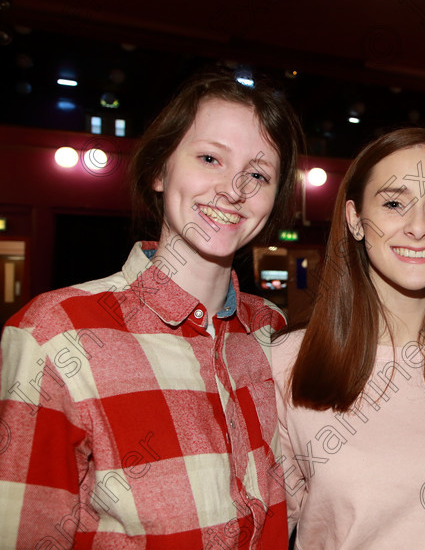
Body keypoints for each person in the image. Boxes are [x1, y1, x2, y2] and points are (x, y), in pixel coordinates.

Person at [0, 67, 304, 548]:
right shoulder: (56, 333)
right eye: (210, 158)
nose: (233, 189)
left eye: (258, 174)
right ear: (160, 171)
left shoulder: (271, 332)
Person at [271, 128, 425, 548]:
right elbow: (265, 528)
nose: (418, 227)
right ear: (355, 219)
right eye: (394, 203)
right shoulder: (286, 362)